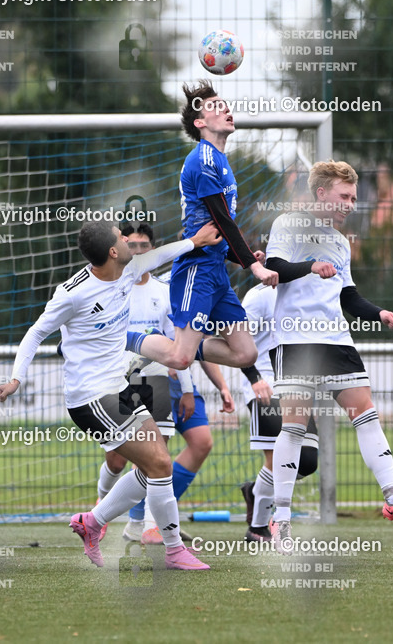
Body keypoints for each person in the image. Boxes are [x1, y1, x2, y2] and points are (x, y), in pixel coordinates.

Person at [0, 221, 221, 570]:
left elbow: (162, 254)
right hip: (90, 397)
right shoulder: (73, 293)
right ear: (113, 251)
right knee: (160, 464)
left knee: (154, 465)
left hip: (118, 387)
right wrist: (15, 378)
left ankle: (93, 522)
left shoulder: (129, 269)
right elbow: (35, 333)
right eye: (122, 237)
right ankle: (173, 550)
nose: (131, 241)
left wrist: (196, 240)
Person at [265, 160, 393, 554]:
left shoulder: (340, 241)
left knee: (366, 415)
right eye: (344, 196)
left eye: (353, 197)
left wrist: (378, 313)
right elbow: (274, 268)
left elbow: (347, 296)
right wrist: (309, 266)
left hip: (336, 340)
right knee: (295, 428)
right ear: (321, 193)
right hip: (296, 339)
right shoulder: (288, 223)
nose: (351, 203)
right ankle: (280, 519)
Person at [127, 81, 279, 374]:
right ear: (200, 122)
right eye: (215, 106)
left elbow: (218, 228)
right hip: (196, 270)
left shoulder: (220, 159)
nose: (226, 108)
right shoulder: (203, 157)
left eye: (225, 104)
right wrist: (254, 267)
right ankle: (124, 339)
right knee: (179, 360)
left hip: (216, 271)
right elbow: (221, 218)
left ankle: (174, 343)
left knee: (246, 353)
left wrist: (240, 256)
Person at [103, 223, 234, 544]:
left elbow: (181, 346)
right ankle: (106, 508)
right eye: (130, 245)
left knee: (173, 449)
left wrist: (191, 389)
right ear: (119, 250)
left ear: (152, 248)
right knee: (120, 458)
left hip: (165, 381)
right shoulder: (112, 288)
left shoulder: (166, 289)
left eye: (143, 245)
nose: (136, 251)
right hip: (123, 383)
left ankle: (154, 521)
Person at [237, 282, 319, 543]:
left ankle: (255, 491)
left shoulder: (306, 292)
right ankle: (258, 528)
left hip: (296, 387)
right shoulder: (259, 296)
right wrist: (254, 378)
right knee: (278, 458)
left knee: (307, 461)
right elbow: (236, 339)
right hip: (265, 388)